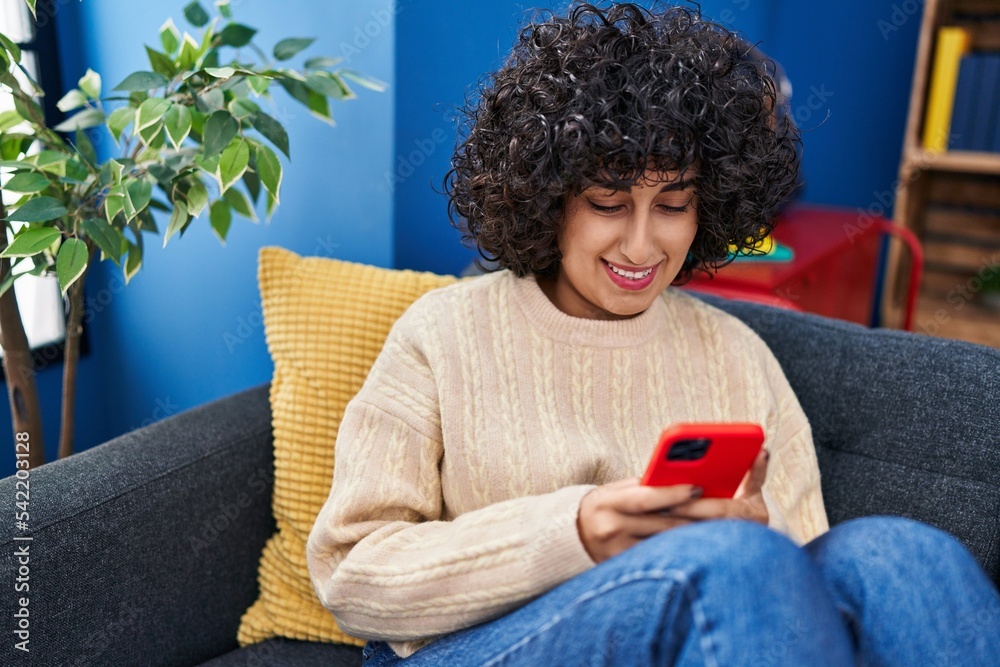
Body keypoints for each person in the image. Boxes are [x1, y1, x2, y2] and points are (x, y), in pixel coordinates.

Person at [306, 4, 1000, 665]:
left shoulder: (735, 354)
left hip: (705, 619)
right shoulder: (443, 331)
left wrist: (760, 533)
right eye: (608, 203)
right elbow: (352, 575)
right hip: (472, 648)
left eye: (672, 205)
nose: (641, 246)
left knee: (901, 555)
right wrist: (574, 532)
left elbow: (804, 583)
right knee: (730, 560)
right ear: (548, 199)